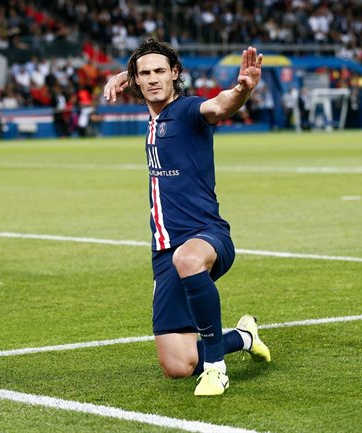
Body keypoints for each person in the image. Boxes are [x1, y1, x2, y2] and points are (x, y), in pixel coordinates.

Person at [103, 39, 271, 396]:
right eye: (145, 73)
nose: (153, 78)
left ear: (175, 73)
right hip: (164, 251)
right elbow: (144, 80)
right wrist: (123, 76)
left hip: (206, 236)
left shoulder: (188, 110)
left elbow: (219, 105)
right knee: (177, 366)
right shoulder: (154, 117)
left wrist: (242, 89)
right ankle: (243, 337)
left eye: (160, 71)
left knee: (188, 258)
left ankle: (216, 370)